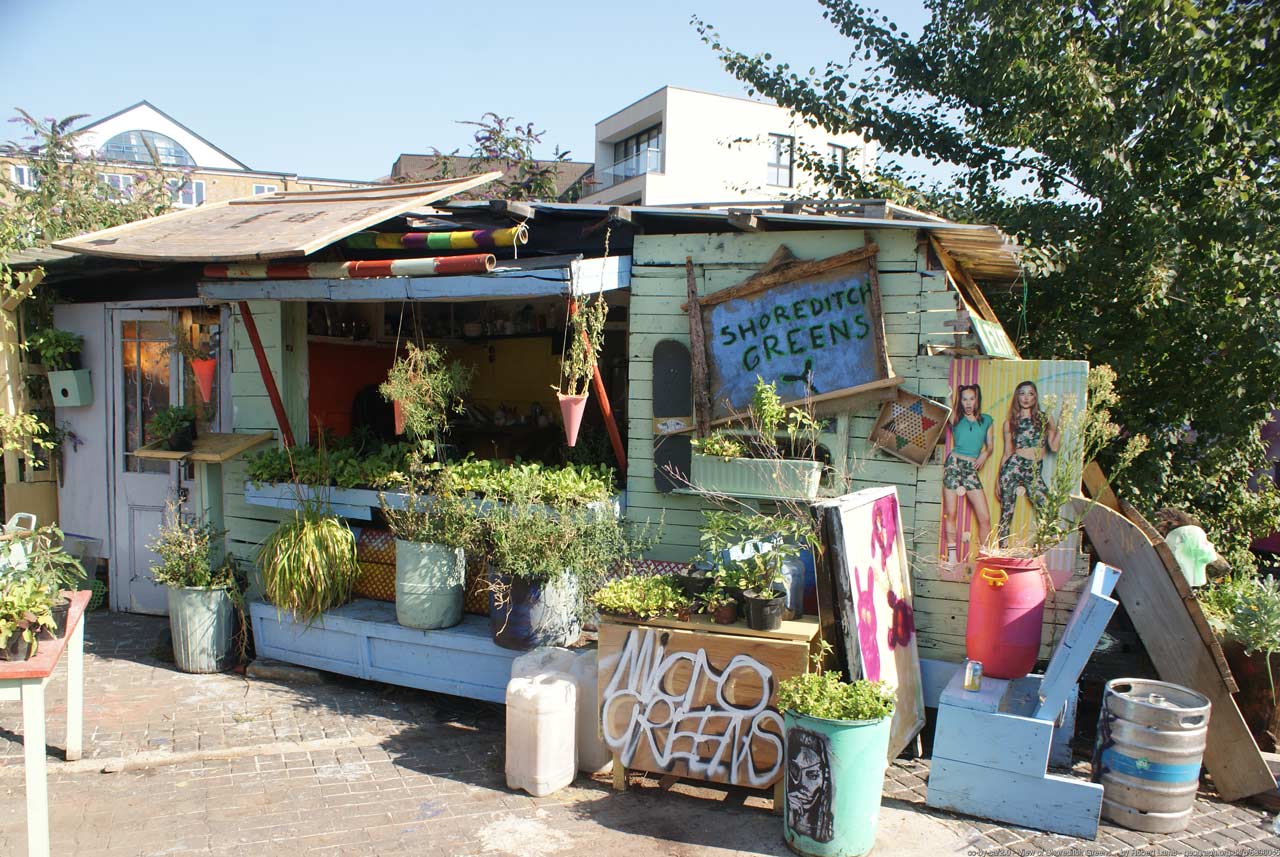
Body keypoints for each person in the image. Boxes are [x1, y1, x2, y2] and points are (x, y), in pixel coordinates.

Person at [996, 380, 1060, 543]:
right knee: (1006, 512)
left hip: (1033, 470)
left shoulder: (1044, 418)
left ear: (1035, 397)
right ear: (1017, 397)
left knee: (1048, 507)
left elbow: (1054, 447)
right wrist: (998, 480)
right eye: (1022, 393)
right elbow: (1007, 452)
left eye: (1030, 393)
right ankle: (1001, 550)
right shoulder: (1010, 422)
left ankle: (1042, 546)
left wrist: (1061, 424)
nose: (1026, 397)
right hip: (1013, 467)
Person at [942, 384, 993, 570]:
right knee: (951, 513)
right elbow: (946, 404)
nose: (968, 403)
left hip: (971, 468)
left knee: (985, 517)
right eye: (964, 399)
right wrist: (948, 395)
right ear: (960, 401)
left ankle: (985, 559)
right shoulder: (956, 419)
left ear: (977, 399)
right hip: (954, 465)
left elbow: (991, 446)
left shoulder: (986, 420)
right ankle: (952, 558)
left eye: (972, 398)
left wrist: (984, 454)